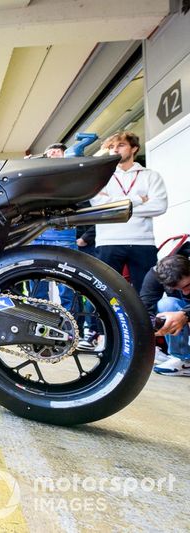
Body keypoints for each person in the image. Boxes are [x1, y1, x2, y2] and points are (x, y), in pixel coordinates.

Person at [91, 131, 168, 293]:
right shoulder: (101, 176)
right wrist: (139, 199)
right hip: (108, 241)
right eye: (111, 147)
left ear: (134, 148)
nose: (115, 150)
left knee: (146, 293)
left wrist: (116, 207)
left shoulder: (150, 176)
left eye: (121, 145)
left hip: (143, 242)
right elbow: (99, 205)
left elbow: (159, 206)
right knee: (106, 293)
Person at [141, 251, 190, 376]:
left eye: (187, 286)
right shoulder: (154, 275)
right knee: (167, 304)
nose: (185, 292)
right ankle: (183, 359)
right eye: (178, 289)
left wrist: (185, 314)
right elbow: (145, 310)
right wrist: (155, 327)